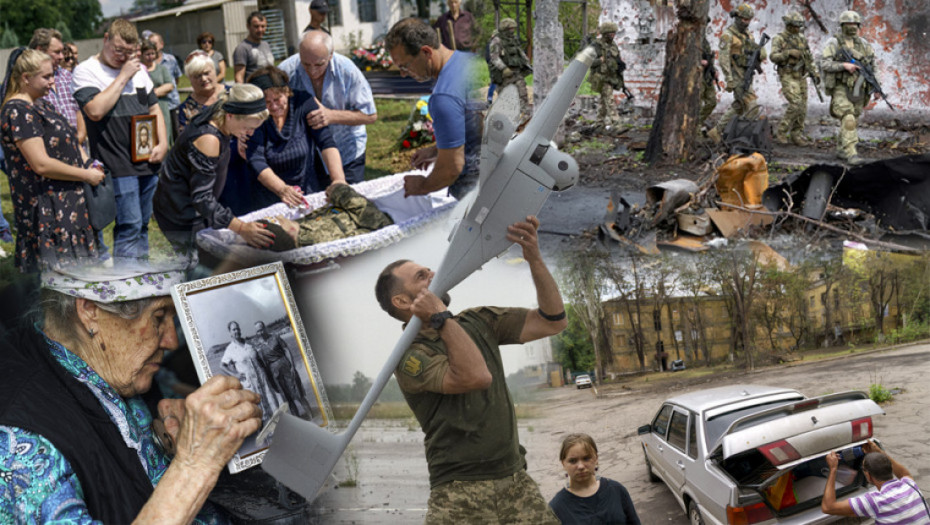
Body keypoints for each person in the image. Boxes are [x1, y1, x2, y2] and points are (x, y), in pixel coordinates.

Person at [0, 262, 262, 522]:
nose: (171, 340)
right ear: (90, 310)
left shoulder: (116, 367)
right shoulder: (20, 448)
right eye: (159, 318)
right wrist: (195, 464)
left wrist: (176, 444)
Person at [374, 215, 566, 524]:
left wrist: (535, 259)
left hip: (515, 479)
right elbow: (475, 377)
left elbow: (553, 321)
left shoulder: (477, 321)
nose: (434, 274)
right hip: (458, 492)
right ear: (402, 300)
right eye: (422, 277)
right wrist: (440, 316)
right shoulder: (409, 358)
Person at [0, 48, 103, 272]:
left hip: (66, 202)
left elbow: (69, 139)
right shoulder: (18, 111)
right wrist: (86, 175)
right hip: (48, 208)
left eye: (52, 74)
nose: (53, 81)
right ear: (26, 78)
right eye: (46, 76)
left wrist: (87, 161)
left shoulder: (40, 103)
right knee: (57, 286)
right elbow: (41, 164)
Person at [73, 19, 167, 259]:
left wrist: (163, 143)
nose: (122, 57)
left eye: (128, 52)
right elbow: (95, 111)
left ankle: (142, 279)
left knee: (144, 224)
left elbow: (154, 108)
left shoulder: (140, 71)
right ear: (105, 39)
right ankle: (126, 286)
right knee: (130, 225)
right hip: (116, 163)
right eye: (118, 50)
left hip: (147, 159)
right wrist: (123, 76)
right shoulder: (86, 70)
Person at [152, 83, 275, 256]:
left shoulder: (220, 112)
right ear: (231, 116)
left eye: (255, 128)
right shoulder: (208, 139)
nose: (250, 133)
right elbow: (202, 198)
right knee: (200, 268)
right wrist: (241, 228)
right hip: (181, 214)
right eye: (248, 127)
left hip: (193, 209)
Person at [385, 17, 482, 199]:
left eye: (405, 66)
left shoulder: (443, 97)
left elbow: (451, 169)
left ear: (426, 52)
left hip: (477, 192)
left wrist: (421, 186)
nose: (403, 74)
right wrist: (439, 149)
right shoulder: (469, 61)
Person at [278, 31, 377, 184]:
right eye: (306, 64)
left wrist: (331, 116)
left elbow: (370, 115)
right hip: (308, 155)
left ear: (330, 55)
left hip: (347, 151)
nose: (312, 71)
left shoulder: (347, 71)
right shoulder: (286, 71)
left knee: (349, 202)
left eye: (318, 64)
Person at [246, 66, 346, 210]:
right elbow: (256, 160)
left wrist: (338, 179)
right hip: (270, 194)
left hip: (309, 185)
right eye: (266, 102)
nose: (273, 107)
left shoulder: (303, 103)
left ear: (286, 91)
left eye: (277, 99)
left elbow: (326, 142)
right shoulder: (255, 116)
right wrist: (282, 190)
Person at [258, 181, 394, 250]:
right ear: (291, 231)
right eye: (277, 220)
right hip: (391, 216)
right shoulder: (319, 237)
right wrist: (339, 191)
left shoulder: (304, 226)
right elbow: (380, 223)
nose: (279, 216)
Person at [819, 10, 878, 166]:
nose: (851, 27)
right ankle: (851, 153)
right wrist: (843, 65)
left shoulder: (864, 45)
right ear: (842, 25)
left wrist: (876, 87)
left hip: (859, 87)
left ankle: (841, 149)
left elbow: (873, 66)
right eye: (848, 24)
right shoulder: (834, 42)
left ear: (858, 25)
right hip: (841, 87)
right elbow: (824, 63)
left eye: (854, 24)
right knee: (848, 117)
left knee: (853, 118)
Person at [821, 441, 930, 524]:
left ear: (868, 475)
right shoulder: (909, 485)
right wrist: (879, 453)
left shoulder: (875, 501)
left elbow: (828, 507)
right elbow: (904, 473)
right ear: (889, 468)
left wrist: (833, 469)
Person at [708, 3, 767, 144]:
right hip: (737, 76)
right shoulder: (728, 36)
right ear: (737, 18)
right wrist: (729, 79)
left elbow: (759, 53)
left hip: (747, 73)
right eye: (744, 19)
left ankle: (717, 131)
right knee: (751, 105)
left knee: (739, 105)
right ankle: (747, 135)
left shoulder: (747, 35)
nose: (746, 23)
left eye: (748, 20)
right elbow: (723, 59)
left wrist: (760, 52)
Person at [549, 434, 641, 524]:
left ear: (596, 458)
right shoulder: (557, 507)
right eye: (573, 461)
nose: (580, 466)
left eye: (586, 458)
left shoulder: (616, 490)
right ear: (563, 463)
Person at [28, 28, 86, 147]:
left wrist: (78, 140)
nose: (61, 57)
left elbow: (79, 111)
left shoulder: (69, 77)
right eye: (57, 52)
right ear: (40, 51)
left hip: (78, 151)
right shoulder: (29, 83)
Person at [222, 320, 285, 424]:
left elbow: (259, 359)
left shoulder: (249, 343)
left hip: (261, 377)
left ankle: (279, 424)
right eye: (234, 329)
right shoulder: (230, 349)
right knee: (258, 406)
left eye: (238, 328)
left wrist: (268, 373)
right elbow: (222, 365)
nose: (236, 331)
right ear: (230, 333)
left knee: (271, 400)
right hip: (249, 382)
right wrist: (235, 375)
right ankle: (267, 431)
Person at [771, 11, 819, 146]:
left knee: (802, 107)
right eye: (795, 26)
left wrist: (815, 73)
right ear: (789, 25)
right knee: (795, 103)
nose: (797, 29)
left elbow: (809, 57)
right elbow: (773, 56)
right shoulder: (779, 39)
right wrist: (788, 53)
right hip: (788, 74)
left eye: (799, 26)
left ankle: (796, 134)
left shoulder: (802, 38)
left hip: (801, 75)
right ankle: (781, 131)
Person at [252, 320, 314, 418]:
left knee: (298, 393)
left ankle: (312, 416)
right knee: (287, 398)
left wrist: (292, 366)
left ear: (265, 328)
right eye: (258, 331)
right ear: (257, 333)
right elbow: (264, 365)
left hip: (286, 367)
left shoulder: (275, 337)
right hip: (275, 374)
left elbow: (286, 350)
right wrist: (271, 381)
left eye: (261, 329)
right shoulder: (260, 347)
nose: (261, 332)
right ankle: (298, 421)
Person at [487, 18, 532, 116]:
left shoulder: (513, 39)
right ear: (505, 29)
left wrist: (526, 62)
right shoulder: (497, 40)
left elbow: (519, 52)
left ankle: (523, 115)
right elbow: (494, 57)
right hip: (504, 76)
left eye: (513, 29)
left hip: (516, 73)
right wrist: (504, 68)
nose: (512, 31)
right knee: (505, 99)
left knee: (523, 94)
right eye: (510, 29)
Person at [589, 22, 627, 130]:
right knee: (609, 99)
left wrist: (620, 64)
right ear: (605, 34)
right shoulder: (596, 45)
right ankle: (617, 123)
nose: (613, 35)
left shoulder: (613, 45)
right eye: (611, 33)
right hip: (601, 77)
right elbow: (588, 62)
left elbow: (616, 58)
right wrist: (600, 60)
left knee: (603, 101)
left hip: (611, 76)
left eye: (614, 33)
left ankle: (599, 123)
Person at [178, 51, 226, 134]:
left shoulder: (233, 94)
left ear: (214, 71)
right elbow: (186, 141)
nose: (203, 79)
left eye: (206, 73)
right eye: (197, 76)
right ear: (190, 79)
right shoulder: (187, 109)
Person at [147, 33, 182, 139]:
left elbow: (177, 79)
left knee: (177, 135)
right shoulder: (147, 63)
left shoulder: (170, 59)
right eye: (150, 43)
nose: (153, 46)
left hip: (172, 103)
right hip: (156, 105)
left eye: (155, 43)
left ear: (161, 44)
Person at [140, 39, 174, 145]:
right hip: (146, 107)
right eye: (147, 54)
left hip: (161, 106)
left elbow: (169, 85)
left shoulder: (161, 69)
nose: (150, 57)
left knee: (164, 134)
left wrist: (154, 93)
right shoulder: (140, 70)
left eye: (152, 53)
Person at [234, 12, 275, 84]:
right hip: (254, 92)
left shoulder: (266, 45)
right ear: (248, 26)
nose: (260, 30)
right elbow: (239, 77)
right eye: (256, 26)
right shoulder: (242, 48)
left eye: (263, 26)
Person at [699, 21, 719, 127]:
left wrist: (714, 70)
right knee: (696, 104)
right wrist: (699, 61)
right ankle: (695, 127)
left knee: (712, 102)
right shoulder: (690, 39)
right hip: (696, 77)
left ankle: (698, 122)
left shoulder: (704, 40)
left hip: (707, 76)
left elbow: (708, 58)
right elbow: (683, 57)